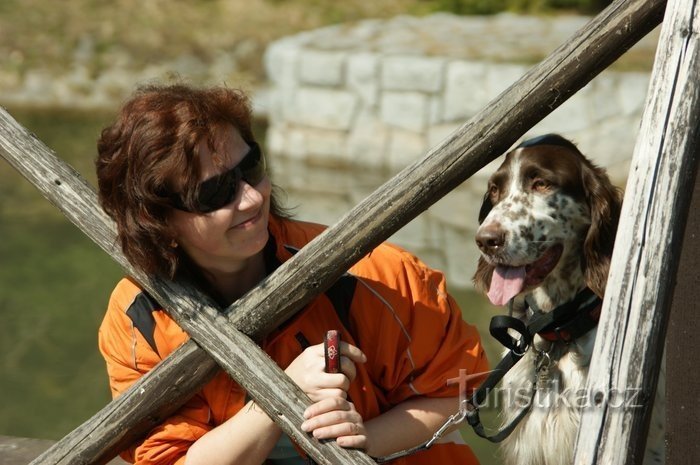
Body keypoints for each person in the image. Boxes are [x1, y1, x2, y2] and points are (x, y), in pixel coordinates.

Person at [96, 83, 489, 465]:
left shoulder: (373, 272)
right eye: (215, 193)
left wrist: (365, 438)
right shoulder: (138, 319)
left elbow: (459, 390)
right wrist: (280, 397)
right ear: (158, 222)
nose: (251, 197)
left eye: (251, 167)